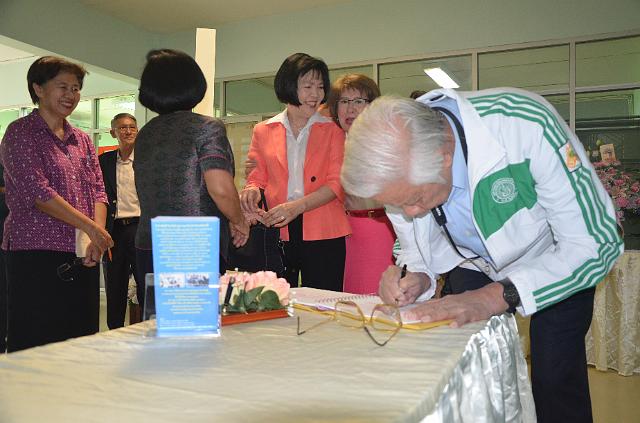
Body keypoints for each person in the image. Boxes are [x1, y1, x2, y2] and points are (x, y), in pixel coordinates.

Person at [341, 90, 623, 423]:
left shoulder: (524, 125)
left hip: (557, 259)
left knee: (554, 373)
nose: (410, 212)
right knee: (466, 364)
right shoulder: (400, 165)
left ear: (445, 156)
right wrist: (416, 276)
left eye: (415, 199)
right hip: (474, 262)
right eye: (395, 204)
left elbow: (597, 242)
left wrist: (494, 296)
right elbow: (414, 247)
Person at [0, 56, 113, 352]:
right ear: (38, 88)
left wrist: (96, 237)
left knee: (81, 341)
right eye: (62, 86)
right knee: (36, 343)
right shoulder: (20, 133)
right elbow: (39, 193)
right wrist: (92, 228)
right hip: (35, 253)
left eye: (75, 88)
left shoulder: (83, 140)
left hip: (82, 252)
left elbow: (99, 192)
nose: (71, 95)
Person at [134, 49, 249, 314]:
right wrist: (239, 221)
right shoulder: (207, 127)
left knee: (159, 323)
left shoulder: (146, 134)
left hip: (148, 243)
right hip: (193, 244)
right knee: (191, 326)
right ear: (193, 83)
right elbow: (220, 188)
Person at [240, 53, 350, 291]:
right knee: (274, 300)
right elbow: (256, 177)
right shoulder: (263, 130)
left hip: (324, 229)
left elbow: (336, 183)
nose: (316, 94)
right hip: (277, 228)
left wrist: (296, 207)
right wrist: (251, 191)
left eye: (320, 87)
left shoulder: (334, 130)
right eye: (308, 86)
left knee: (324, 302)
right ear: (289, 86)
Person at [325, 74, 395, 294]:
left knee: (379, 297)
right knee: (346, 298)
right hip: (342, 234)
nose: (350, 109)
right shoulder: (331, 143)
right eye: (344, 102)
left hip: (380, 229)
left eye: (358, 101)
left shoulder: (387, 142)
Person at [99, 113, 142, 328]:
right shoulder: (104, 161)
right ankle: (114, 332)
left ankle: (149, 329)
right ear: (113, 132)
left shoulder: (146, 160)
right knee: (115, 286)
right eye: (122, 127)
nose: (128, 131)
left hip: (140, 229)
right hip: (114, 231)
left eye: (132, 127)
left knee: (145, 283)